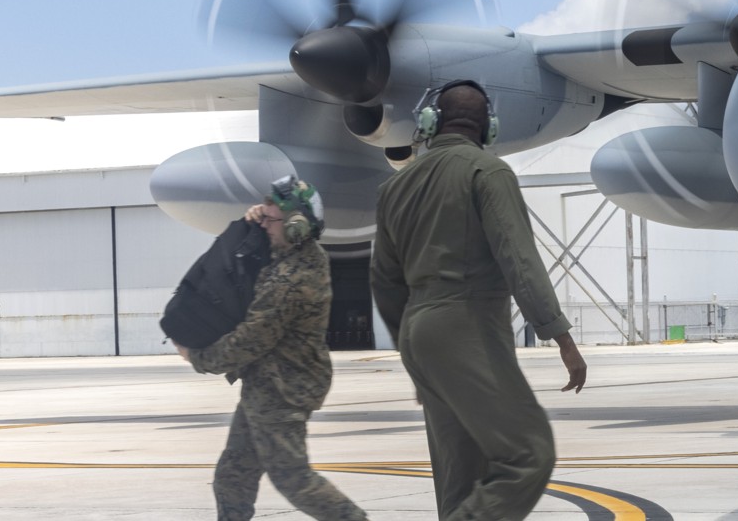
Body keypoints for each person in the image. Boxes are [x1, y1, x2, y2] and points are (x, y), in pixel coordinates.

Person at [373, 80, 587, 520]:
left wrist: (412, 353)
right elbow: (519, 258)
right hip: (466, 325)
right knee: (529, 454)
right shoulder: (486, 171)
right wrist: (559, 336)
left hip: (419, 333)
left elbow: (384, 281)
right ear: (489, 127)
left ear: (430, 122)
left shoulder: (396, 186)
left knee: (459, 475)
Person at [179, 183, 367, 521]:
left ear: (296, 227)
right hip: (265, 385)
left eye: (271, 220)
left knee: (293, 479)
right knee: (233, 478)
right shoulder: (291, 254)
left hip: (283, 389)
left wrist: (198, 358)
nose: (265, 225)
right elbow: (244, 263)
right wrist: (253, 222)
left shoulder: (293, 280)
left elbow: (250, 340)